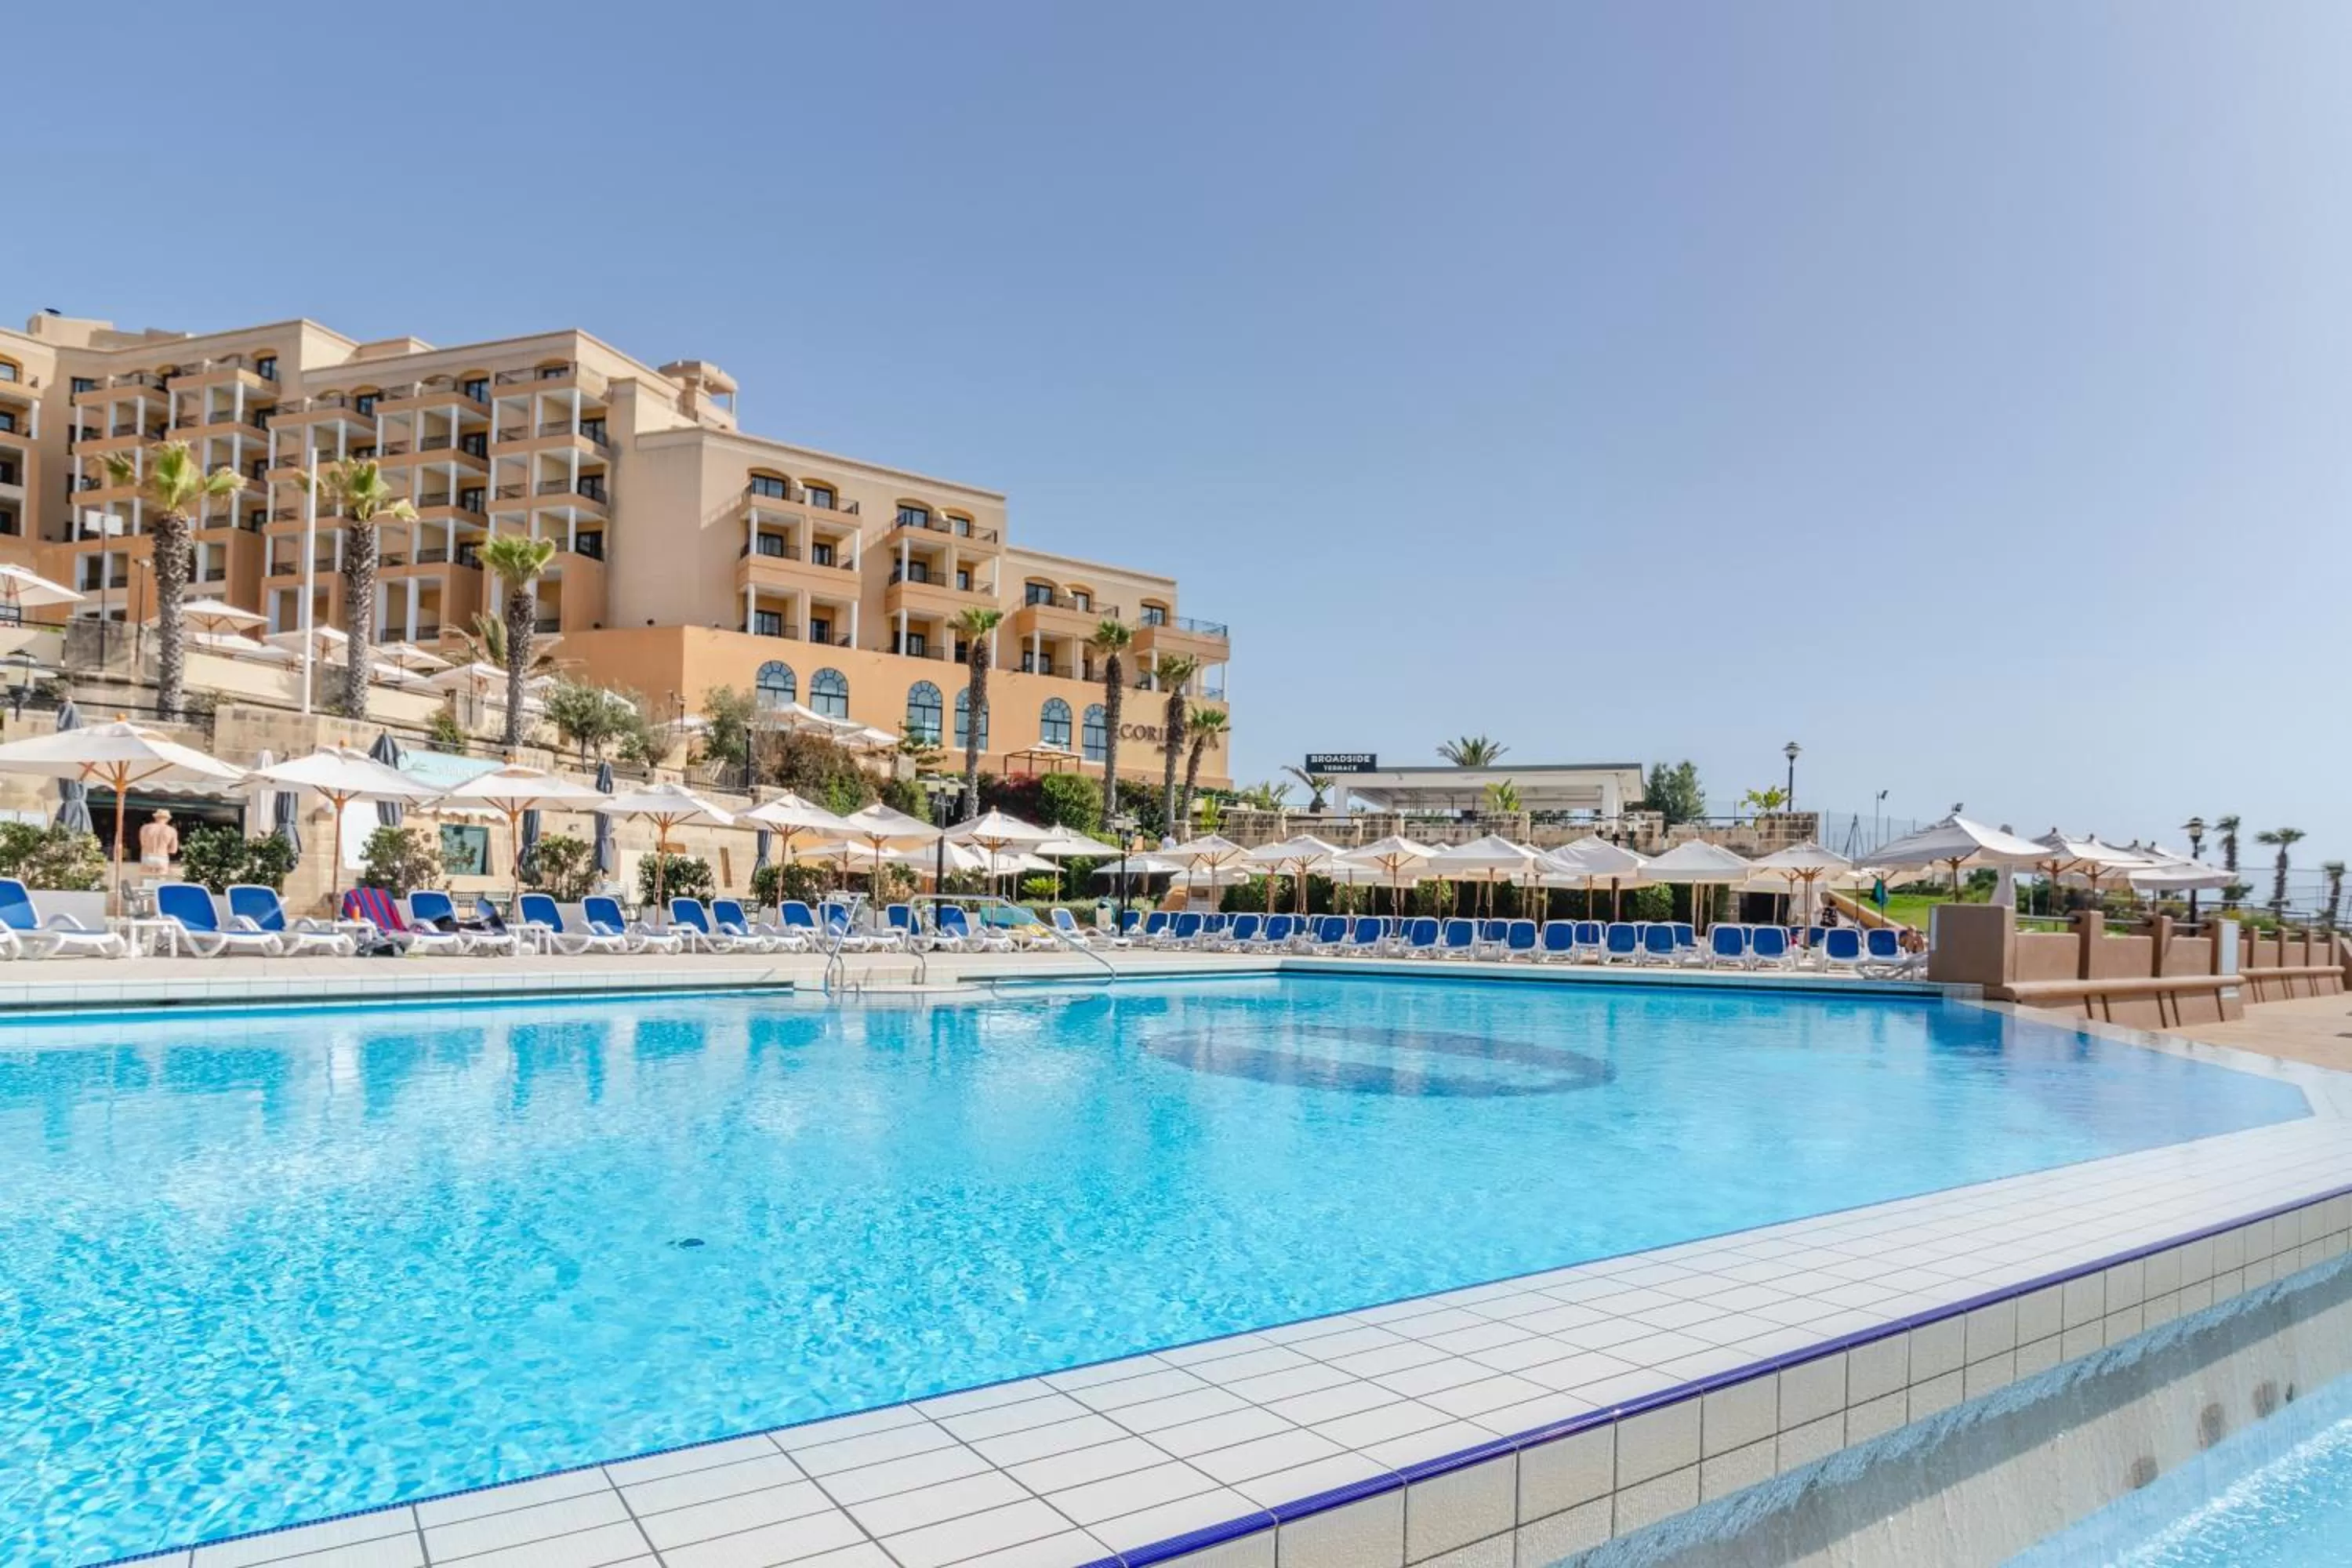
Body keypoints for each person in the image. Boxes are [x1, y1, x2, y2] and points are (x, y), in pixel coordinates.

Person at [137, 809, 180, 877]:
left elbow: (143, 844)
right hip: (162, 857)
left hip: (147, 856)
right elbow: (173, 850)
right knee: (160, 882)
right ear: (168, 819)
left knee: (145, 881)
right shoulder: (172, 830)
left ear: (155, 817)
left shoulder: (145, 828)